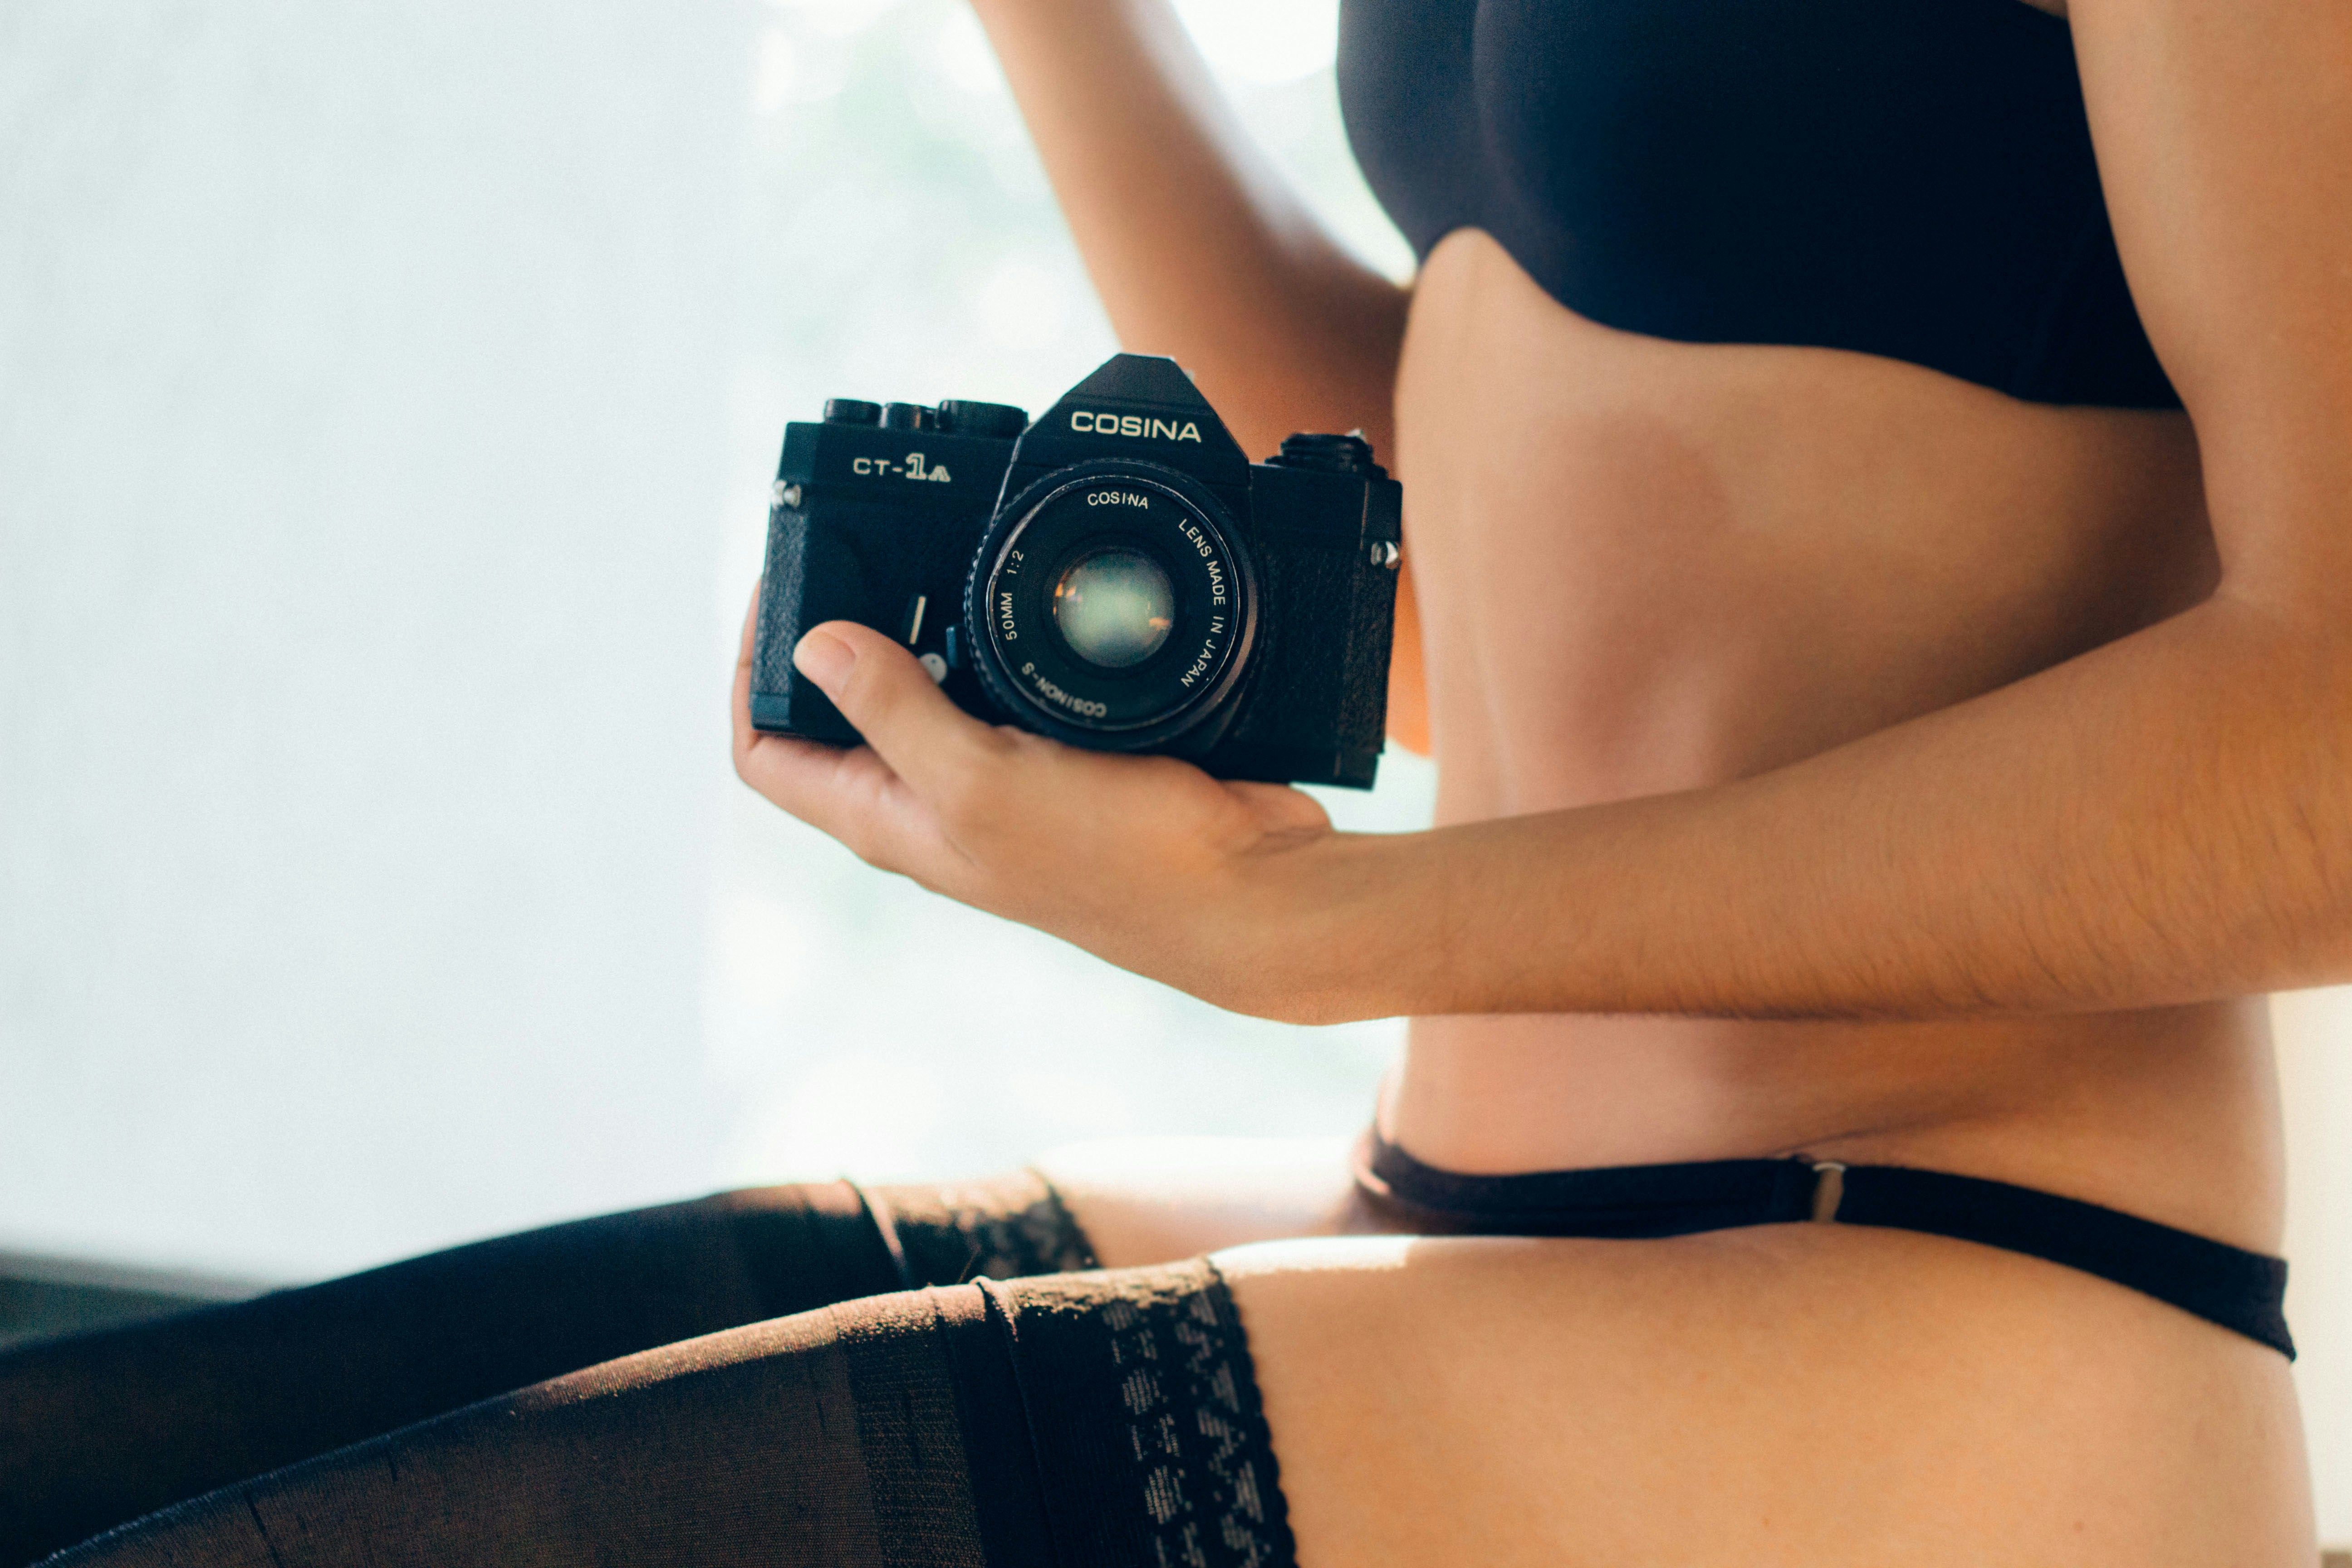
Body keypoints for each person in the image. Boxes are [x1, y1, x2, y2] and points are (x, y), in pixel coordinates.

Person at [8, 0, 2341, 1562]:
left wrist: (1323, 934)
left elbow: (2327, 751)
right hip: (1460, 1203)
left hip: (1928, 1303)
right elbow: (1441, 585)